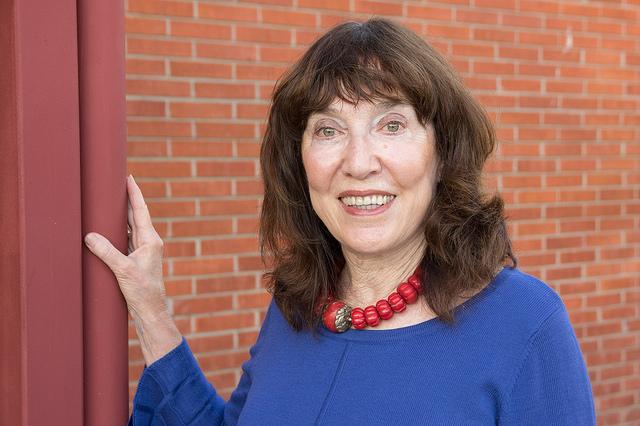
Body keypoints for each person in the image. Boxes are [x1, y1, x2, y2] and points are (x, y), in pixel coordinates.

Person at [84, 18, 596, 425]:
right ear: (300, 161)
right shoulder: (298, 311)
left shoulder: (525, 324)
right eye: (328, 130)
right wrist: (151, 309)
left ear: (443, 152)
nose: (358, 161)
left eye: (391, 125)